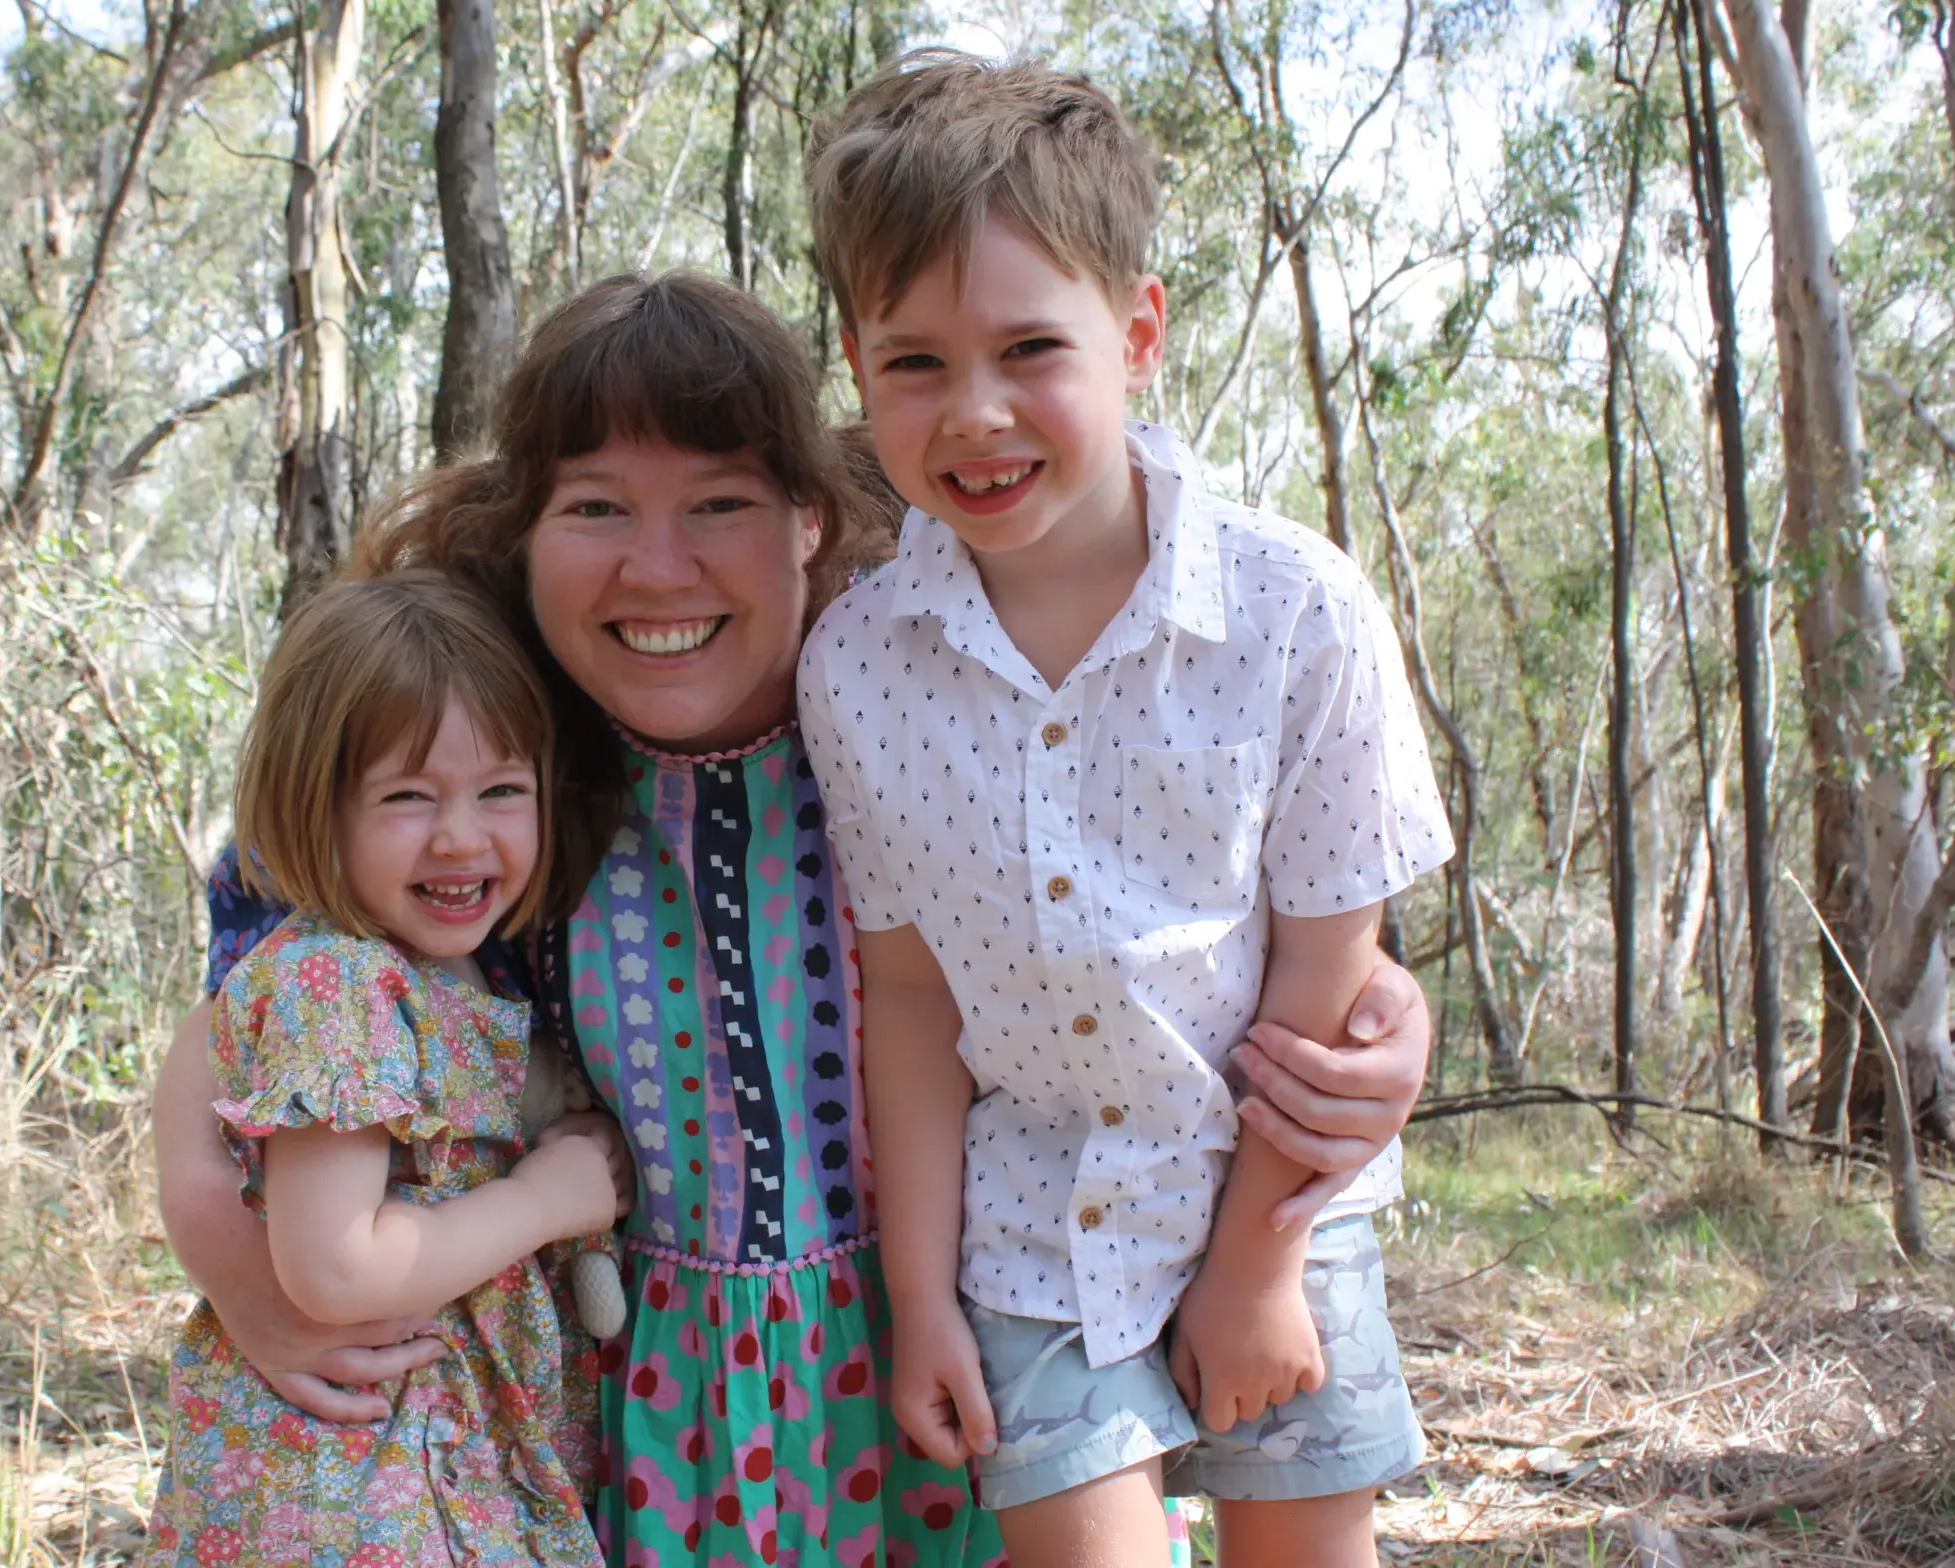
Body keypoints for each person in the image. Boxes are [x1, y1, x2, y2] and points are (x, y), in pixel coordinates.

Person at [152, 272, 1444, 1568]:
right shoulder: (487, 767)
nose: (659, 567)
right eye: (596, 509)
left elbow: (1171, 934)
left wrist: (1375, 1013)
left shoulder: (916, 712)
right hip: (646, 1420)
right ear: (522, 535)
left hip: (966, 1355)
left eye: (720, 505)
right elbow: (251, 994)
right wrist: (244, 1274)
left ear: (811, 523)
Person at [796, 51, 1454, 1568]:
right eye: (912, 363)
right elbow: (907, 999)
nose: (975, 414)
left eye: (1032, 348)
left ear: (1138, 329)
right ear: (857, 360)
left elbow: (1323, 979)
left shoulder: (1296, 613)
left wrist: (1254, 1267)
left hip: (1281, 1206)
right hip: (1031, 1233)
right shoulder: (861, 668)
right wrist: (918, 1303)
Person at [143, 571, 629, 1568]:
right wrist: (546, 1201)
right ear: (313, 811)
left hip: (412, 1468)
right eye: (407, 798)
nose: (461, 835)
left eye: (502, 790)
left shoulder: (426, 970)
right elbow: (334, 1267)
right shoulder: (343, 986)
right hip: (362, 1489)